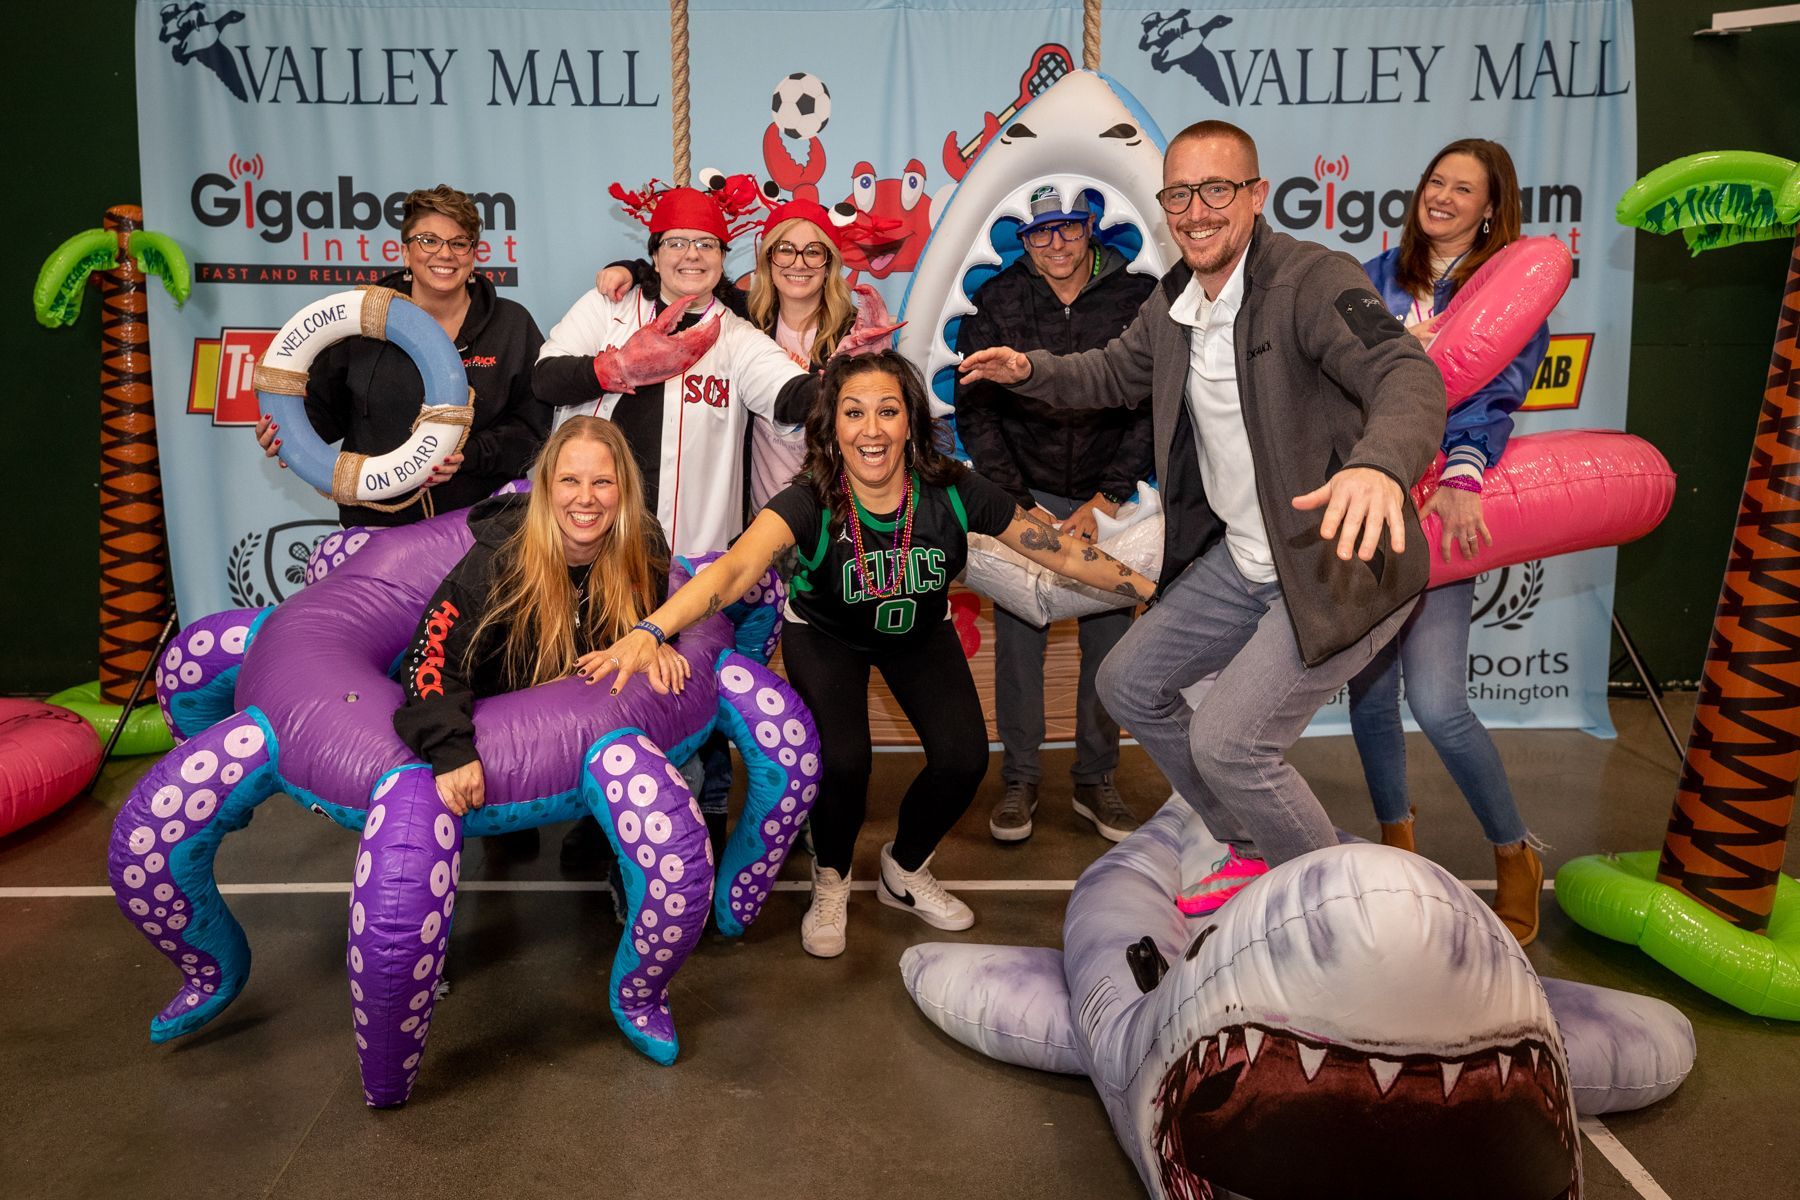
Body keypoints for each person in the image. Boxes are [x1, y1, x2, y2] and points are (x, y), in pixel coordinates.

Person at [959, 120, 1445, 915]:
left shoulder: (1311, 280)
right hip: (1246, 559)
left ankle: (1335, 918)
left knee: (1231, 744)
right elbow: (1111, 372)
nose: (1195, 211)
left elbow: (1405, 372)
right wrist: (1029, 369)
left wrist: (1378, 464)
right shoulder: (1175, 299)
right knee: (1128, 683)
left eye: (1216, 189)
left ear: (1256, 195)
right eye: (1179, 194)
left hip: (1332, 562)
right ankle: (1251, 845)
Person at [581, 351, 1156, 959]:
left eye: (888, 411)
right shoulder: (809, 499)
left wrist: (1150, 587)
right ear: (832, 426)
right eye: (854, 413)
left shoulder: (955, 491)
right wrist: (651, 630)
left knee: (963, 759)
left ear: (911, 421)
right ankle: (831, 875)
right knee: (845, 762)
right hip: (826, 635)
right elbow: (733, 571)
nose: (872, 430)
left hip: (918, 631)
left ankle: (903, 869)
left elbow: (1058, 552)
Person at [534, 184, 819, 871]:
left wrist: (848, 383)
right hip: (596, 556)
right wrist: (614, 366)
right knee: (595, 692)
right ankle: (596, 819)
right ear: (654, 253)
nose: (692, 256)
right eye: (677, 244)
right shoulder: (608, 306)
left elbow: (790, 393)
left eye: (707, 245)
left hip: (693, 568)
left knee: (691, 704)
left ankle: (702, 822)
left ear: (724, 256)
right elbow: (543, 379)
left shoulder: (735, 334)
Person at [1350, 138, 1551, 945]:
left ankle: (1514, 852)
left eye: (1462, 189)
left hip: (1441, 508)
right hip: (1370, 503)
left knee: (1436, 703)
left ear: (1491, 208)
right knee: (1370, 698)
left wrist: (1465, 473)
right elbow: (1337, 375)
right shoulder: (1375, 275)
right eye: (1435, 181)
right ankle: (1396, 845)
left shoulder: (1504, 289)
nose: (1441, 197)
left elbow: (1497, 393)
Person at [955, 186, 1155, 845]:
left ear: (1090, 225)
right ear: (1023, 238)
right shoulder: (998, 300)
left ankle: (1096, 780)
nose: (1057, 244)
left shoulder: (1136, 297)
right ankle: (1020, 778)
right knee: (1018, 647)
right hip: (1026, 497)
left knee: (1109, 648)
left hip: (1109, 501)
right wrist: (1017, 503)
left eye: (1068, 228)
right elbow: (975, 409)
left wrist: (1108, 498)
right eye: (1041, 232)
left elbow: (1154, 402)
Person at [392, 416, 683, 816]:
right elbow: (430, 658)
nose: (586, 498)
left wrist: (656, 638)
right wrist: (449, 747)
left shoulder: (643, 542)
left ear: (624, 489)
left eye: (602, 482)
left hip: (593, 722)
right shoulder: (499, 559)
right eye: (569, 480)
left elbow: (649, 622)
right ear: (546, 486)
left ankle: (591, 834)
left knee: (690, 772)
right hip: (501, 726)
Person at [255, 184, 549, 530]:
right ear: (406, 253)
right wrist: (289, 438)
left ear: (473, 255)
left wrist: (470, 456)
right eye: (428, 240)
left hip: (482, 525)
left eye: (459, 243)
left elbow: (534, 426)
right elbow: (326, 412)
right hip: (378, 525)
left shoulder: (511, 325)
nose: (445, 254)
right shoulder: (360, 325)